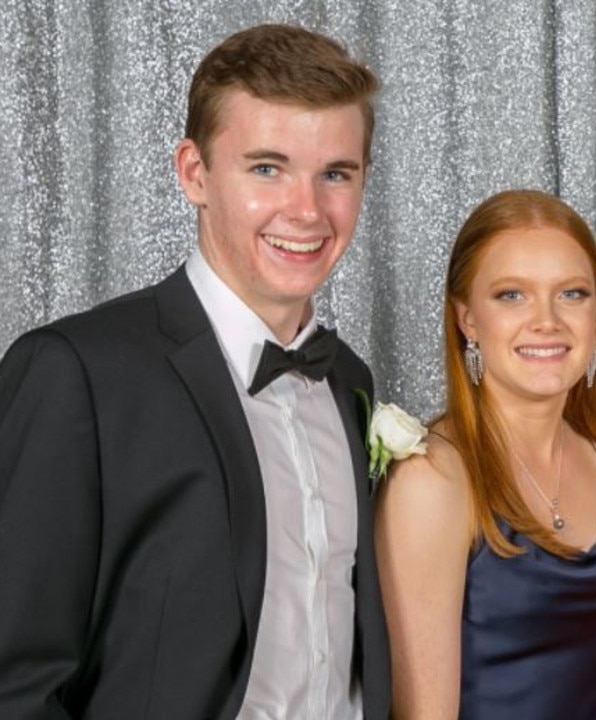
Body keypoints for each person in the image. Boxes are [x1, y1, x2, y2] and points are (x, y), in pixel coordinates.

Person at [0, 25, 389, 718]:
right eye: (267, 168)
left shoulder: (348, 382)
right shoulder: (76, 375)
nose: (306, 210)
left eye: (335, 173)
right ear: (194, 173)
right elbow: (14, 683)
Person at [375, 189, 596, 719]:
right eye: (512, 295)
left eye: (572, 294)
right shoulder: (433, 480)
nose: (547, 320)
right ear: (467, 320)